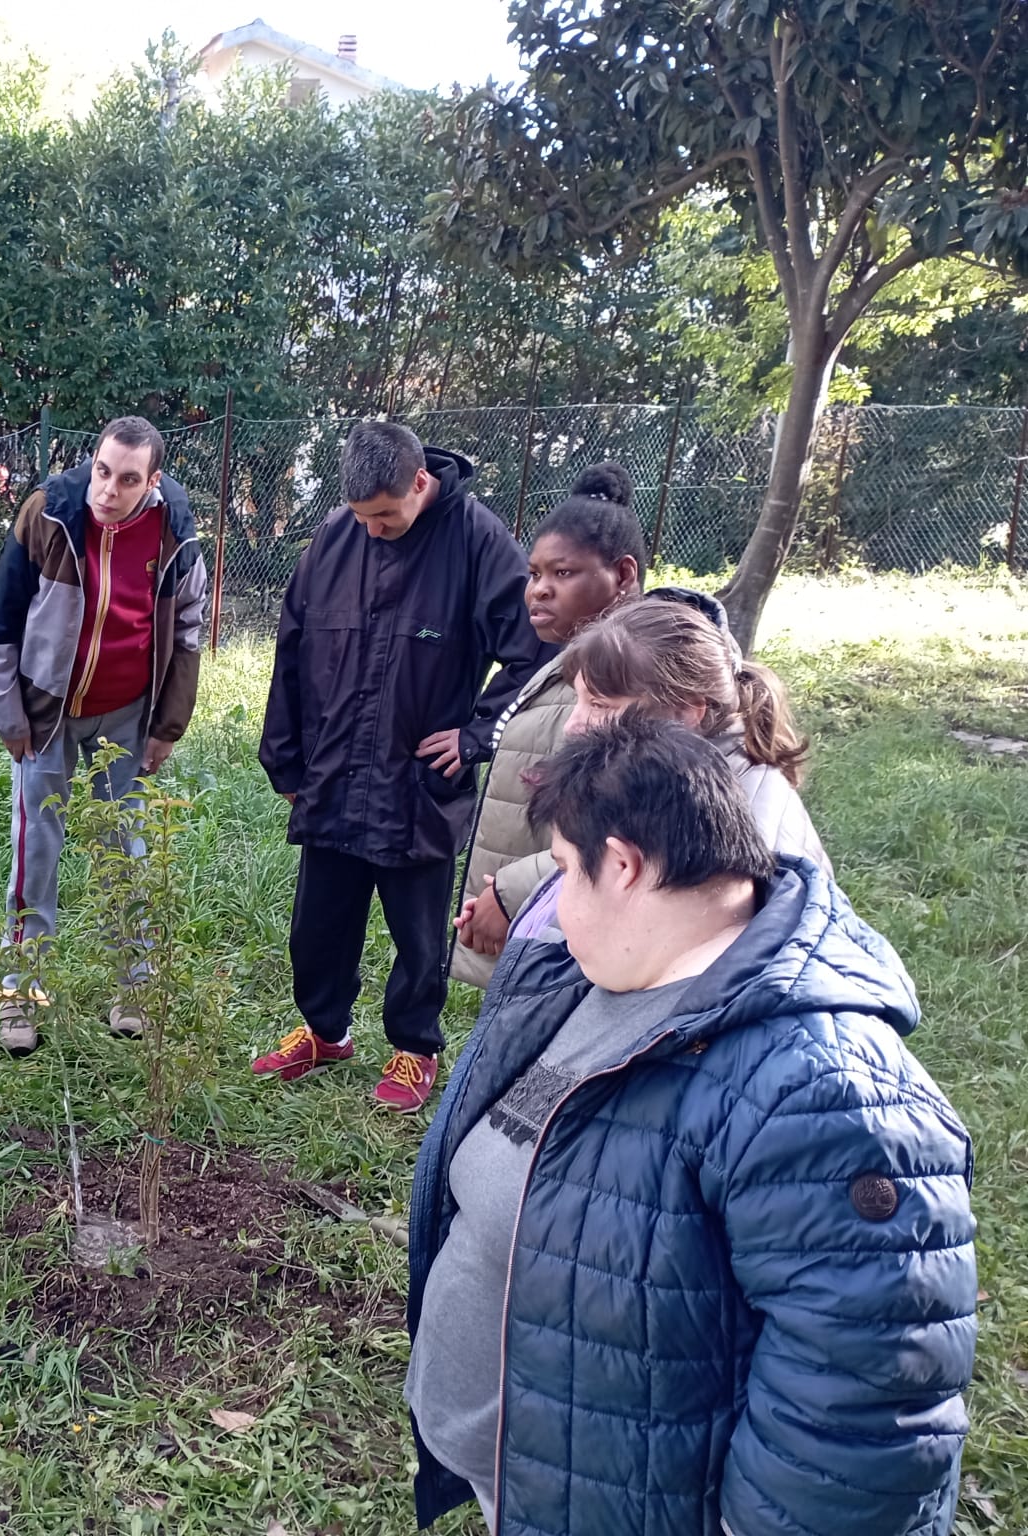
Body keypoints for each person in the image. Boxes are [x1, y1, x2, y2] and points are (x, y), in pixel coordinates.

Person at [405, 716, 975, 1535]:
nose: (557, 908)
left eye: (565, 872)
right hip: (539, 1473)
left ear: (627, 866)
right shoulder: (600, 976)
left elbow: (860, 1421)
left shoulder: (825, 1093)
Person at [254, 421, 549, 1110]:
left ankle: (415, 1048)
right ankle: (324, 1031)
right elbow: (291, 649)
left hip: (418, 782)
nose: (375, 531)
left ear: (421, 483)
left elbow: (535, 653)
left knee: (420, 933)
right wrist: (286, 759)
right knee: (318, 924)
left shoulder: (477, 540)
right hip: (331, 773)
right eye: (363, 518)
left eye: (385, 516)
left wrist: (477, 735)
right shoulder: (335, 536)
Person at [0, 415, 206, 1055]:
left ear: (152, 482)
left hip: (127, 715)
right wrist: (7, 715)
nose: (108, 489)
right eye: (103, 471)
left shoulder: (174, 531)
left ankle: (133, 990)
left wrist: (168, 725)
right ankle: (20, 994)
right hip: (46, 714)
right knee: (36, 851)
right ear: (93, 461)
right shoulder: (48, 514)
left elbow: (188, 627)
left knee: (126, 848)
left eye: (127, 479)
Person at [468, 594, 830, 958]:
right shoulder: (668, 783)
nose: (573, 726)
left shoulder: (729, 835)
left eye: (599, 705)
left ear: (686, 714)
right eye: (577, 699)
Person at [448, 462, 645, 989]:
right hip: (546, 924)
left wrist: (512, 893)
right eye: (534, 574)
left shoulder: (635, 678)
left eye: (563, 574)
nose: (538, 590)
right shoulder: (563, 665)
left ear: (622, 576)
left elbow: (629, 825)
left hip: (585, 938)